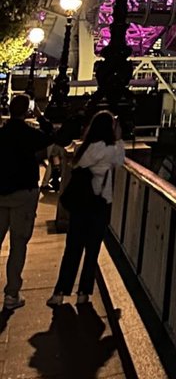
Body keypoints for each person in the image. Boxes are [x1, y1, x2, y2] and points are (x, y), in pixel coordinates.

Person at [47, 110, 124, 306]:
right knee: (92, 251)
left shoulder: (83, 148)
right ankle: (83, 292)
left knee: (72, 249)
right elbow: (120, 160)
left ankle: (60, 292)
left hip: (80, 204)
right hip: (99, 204)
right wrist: (119, 137)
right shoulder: (110, 150)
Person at [0, 93, 52, 310]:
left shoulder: (2, 134)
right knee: (18, 246)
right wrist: (41, 116)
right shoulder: (30, 134)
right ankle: (11, 294)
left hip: (1, 194)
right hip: (24, 193)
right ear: (27, 111)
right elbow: (51, 136)